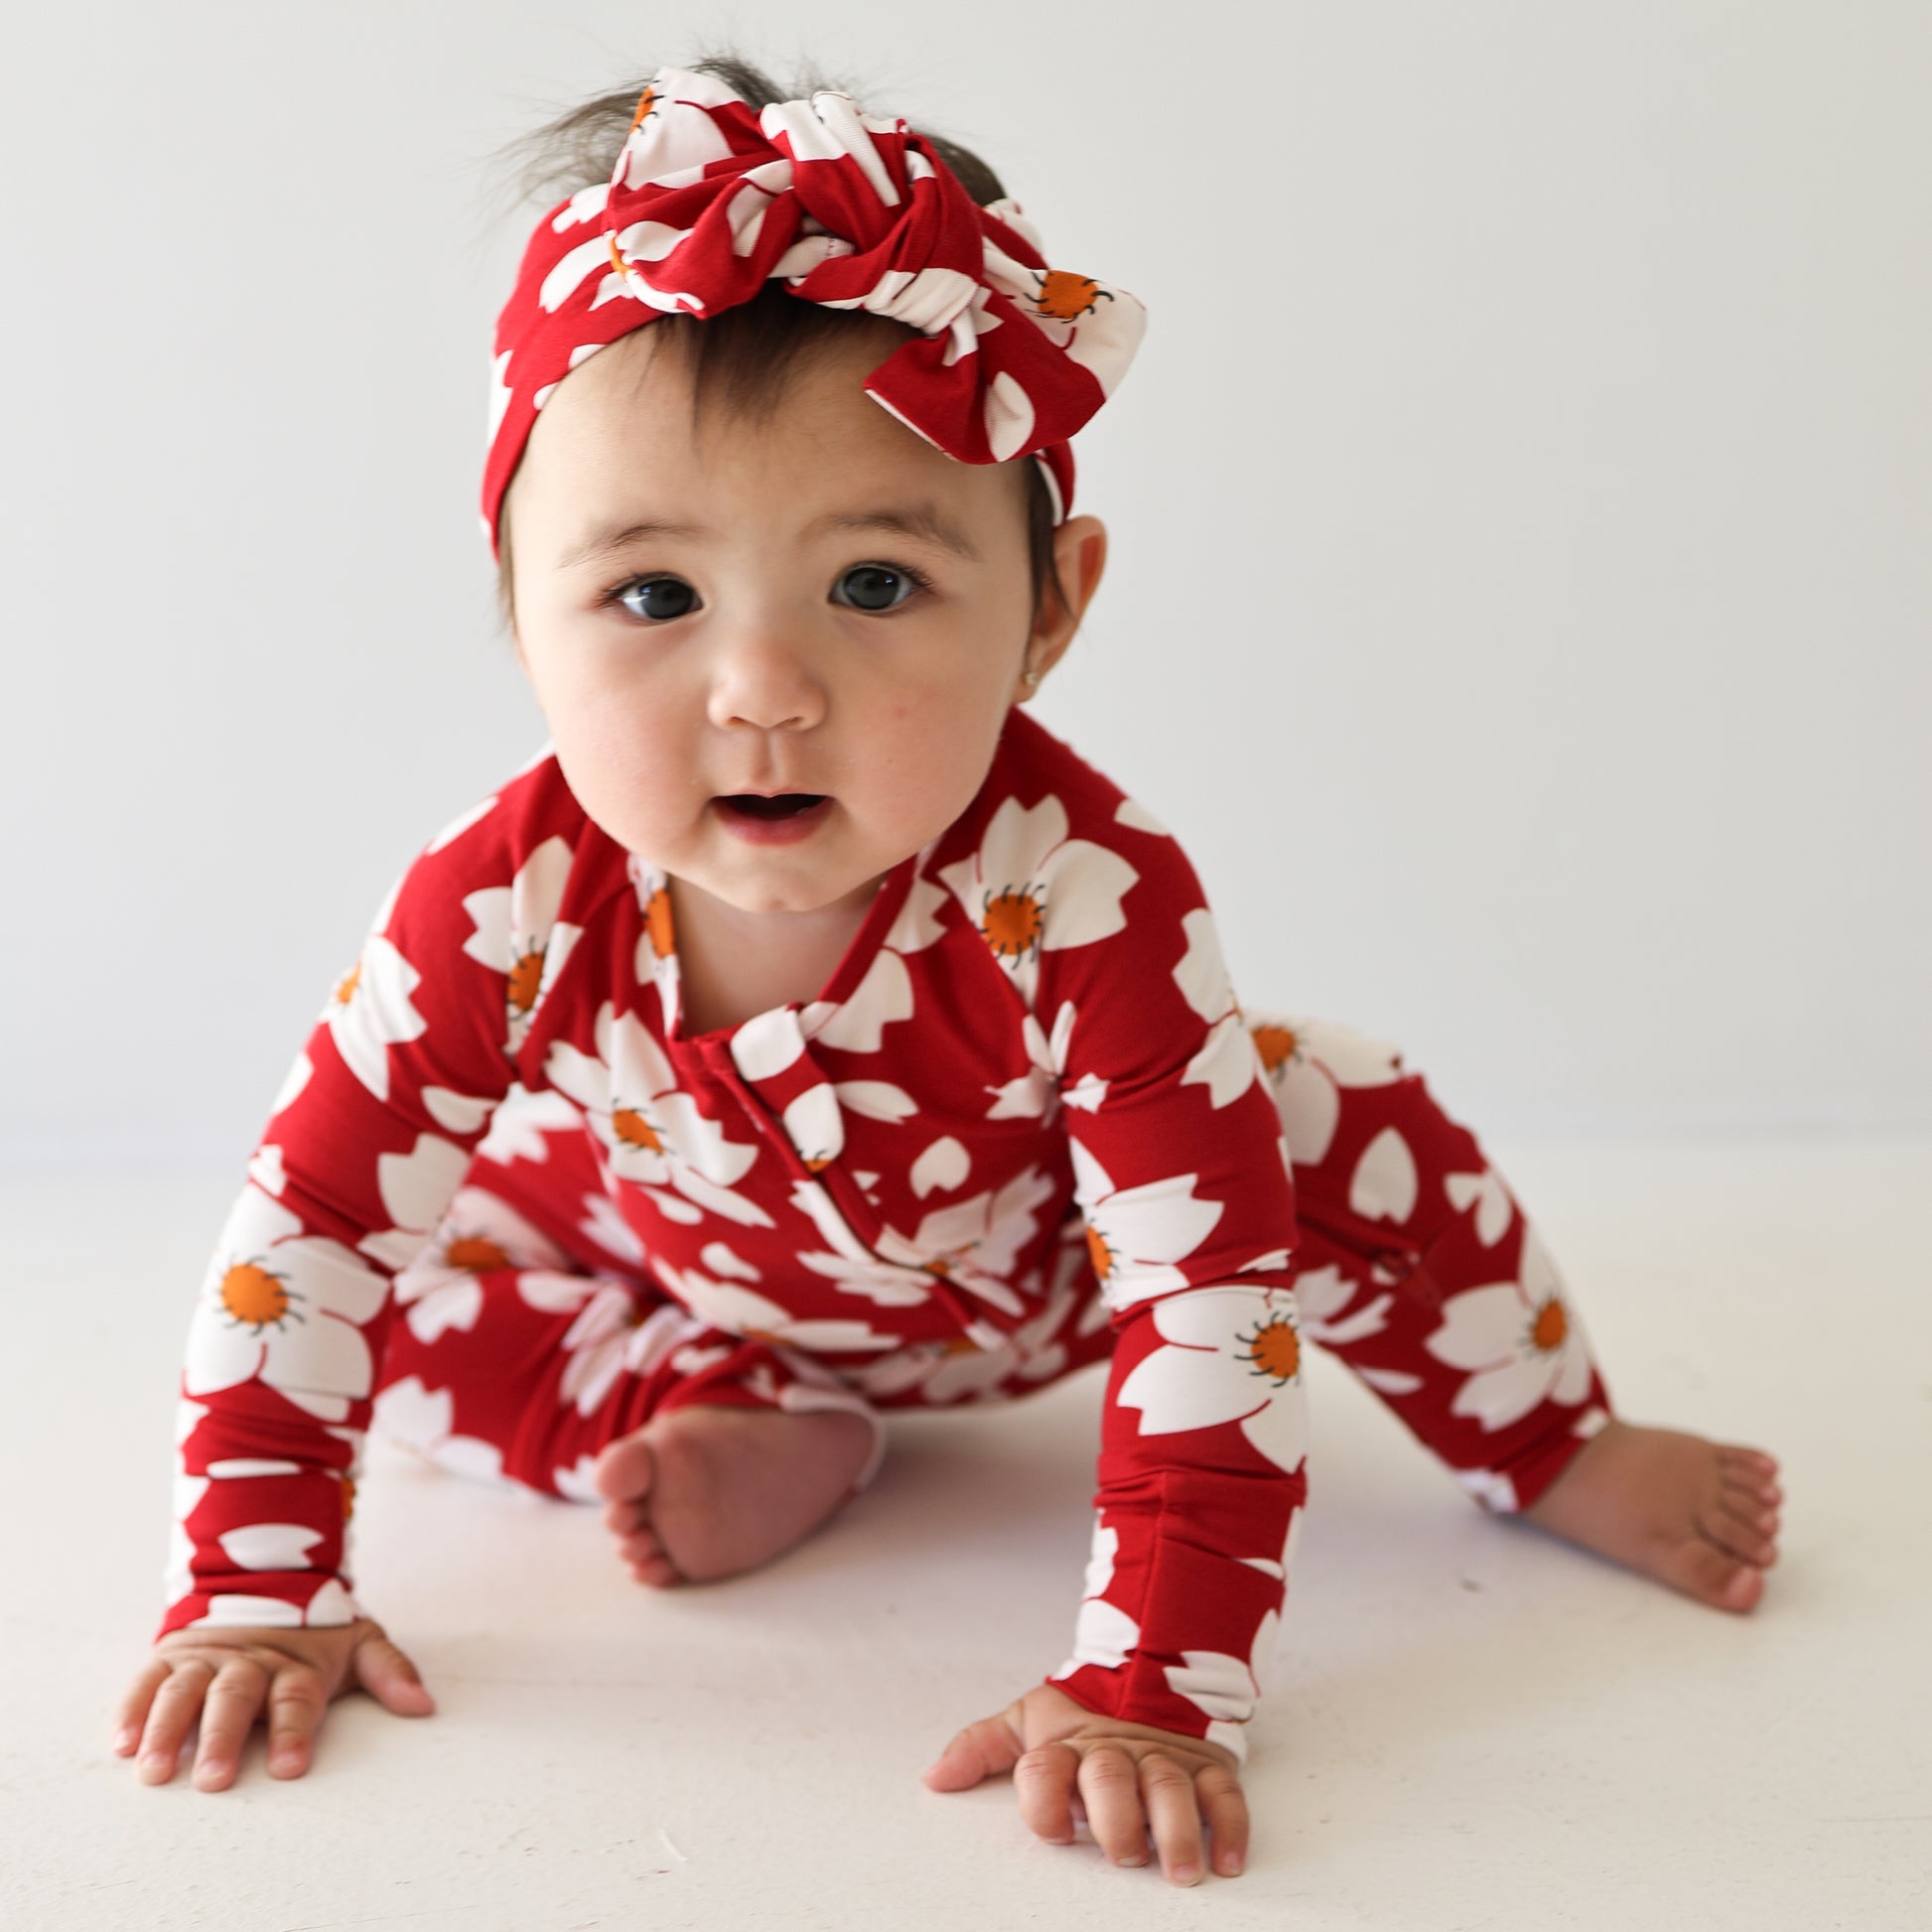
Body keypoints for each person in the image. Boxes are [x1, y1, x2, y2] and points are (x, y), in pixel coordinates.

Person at [110, 57, 1783, 1886]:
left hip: (1025, 1285)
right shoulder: (500, 898)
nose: (762, 688)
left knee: (1321, 1105)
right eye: (655, 597)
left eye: (877, 586)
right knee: (387, 1298)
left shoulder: (1076, 887)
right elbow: (317, 1224)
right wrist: (259, 1587)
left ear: (1051, 608)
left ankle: (1551, 1436)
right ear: (517, 603)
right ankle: (703, 1410)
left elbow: (1206, 1289)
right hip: (680, 1266)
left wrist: (1153, 1678)